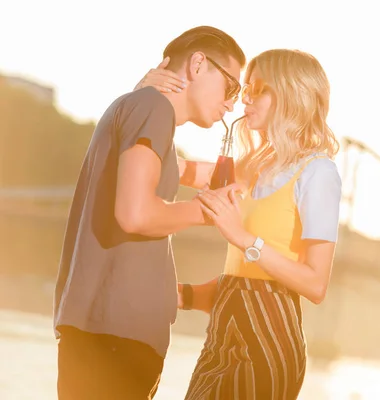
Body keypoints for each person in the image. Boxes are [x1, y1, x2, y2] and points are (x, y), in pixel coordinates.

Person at [53, 25, 246, 400]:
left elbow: (190, 172)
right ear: (197, 64)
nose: (232, 104)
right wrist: (209, 211)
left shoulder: (143, 109)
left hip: (106, 335)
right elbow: (136, 214)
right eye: (231, 88)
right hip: (115, 339)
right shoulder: (152, 108)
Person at [139, 48, 342, 399]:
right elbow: (176, 167)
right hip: (221, 336)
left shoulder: (319, 173)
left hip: (269, 343)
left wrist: (244, 238)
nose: (245, 98)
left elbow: (315, 284)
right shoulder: (255, 166)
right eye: (247, 87)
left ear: (292, 94)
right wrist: (146, 99)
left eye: (259, 89)